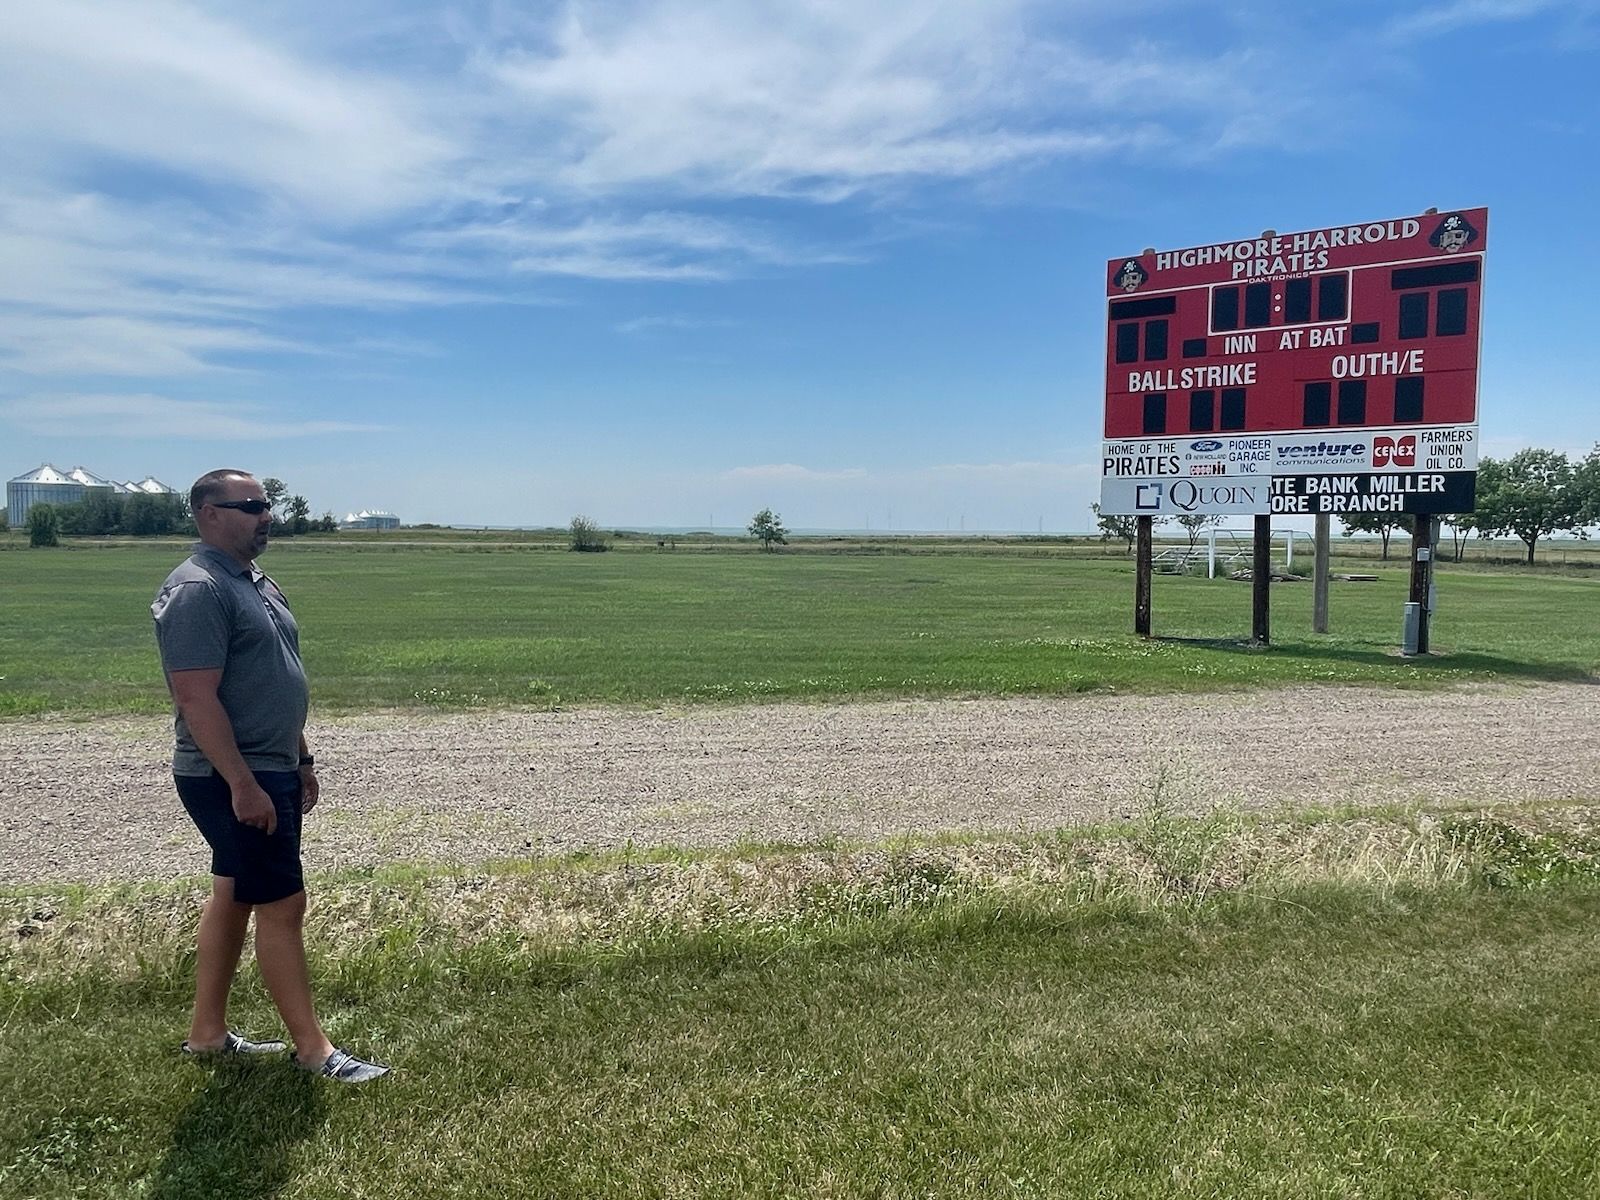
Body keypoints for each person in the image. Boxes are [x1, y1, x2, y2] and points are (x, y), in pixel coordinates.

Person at [152, 468, 388, 1083]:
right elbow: (197, 698)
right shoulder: (199, 589)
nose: (267, 515)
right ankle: (314, 1051)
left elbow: (275, 676)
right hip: (233, 772)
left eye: (268, 504)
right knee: (283, 902)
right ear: (208, 514)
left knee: (234, 892)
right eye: (251, 505)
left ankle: (207, 1035)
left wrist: (300, 756)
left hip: (269, 763)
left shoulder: (254, 582)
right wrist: (243, 784)